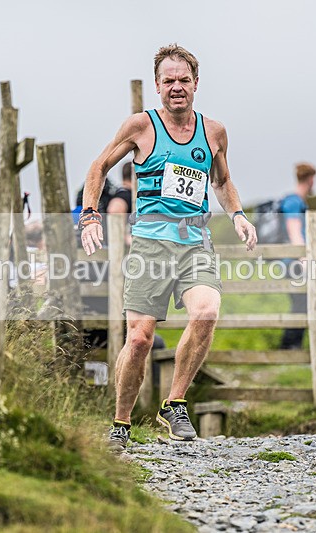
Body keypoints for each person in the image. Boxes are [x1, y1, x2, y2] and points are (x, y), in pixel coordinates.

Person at [78, 44, 257, 450]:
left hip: (195, 243)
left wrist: (239, 215)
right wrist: (90, 214)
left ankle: (174, 403)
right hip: (149, 247)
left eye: (184, 80)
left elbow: (222, 181)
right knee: (139, 340)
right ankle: (121, 423)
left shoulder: (214, 132)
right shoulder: (140, 126)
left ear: (196, 84)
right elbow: (99, 166)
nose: (177, 87)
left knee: (207, 312)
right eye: (169, 81)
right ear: (158, 86)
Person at [279, 163, 316, 350]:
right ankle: (290, 347)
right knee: (301, 302)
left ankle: (292, 346)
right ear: (310, 179)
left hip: (293, 259)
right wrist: (303, 259)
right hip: (293, 260)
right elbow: (294, 230)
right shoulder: (294, 202)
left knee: (302, 302)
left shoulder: (295, 201)